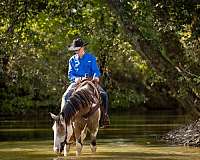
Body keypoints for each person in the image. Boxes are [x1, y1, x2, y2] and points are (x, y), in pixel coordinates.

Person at [61, 38, 110, 128]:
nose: (76, 52)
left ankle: (104, 117)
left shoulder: (91, 58)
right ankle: (63, 117)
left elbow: (96, 71)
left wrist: (96, 76)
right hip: (77, 83)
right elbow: (70, 74)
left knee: (104, 95)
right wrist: (75, 79)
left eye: (77, 50)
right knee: (65, 96)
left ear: (82, 48)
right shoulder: (72, 60)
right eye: (75, 50)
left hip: (90, 81)